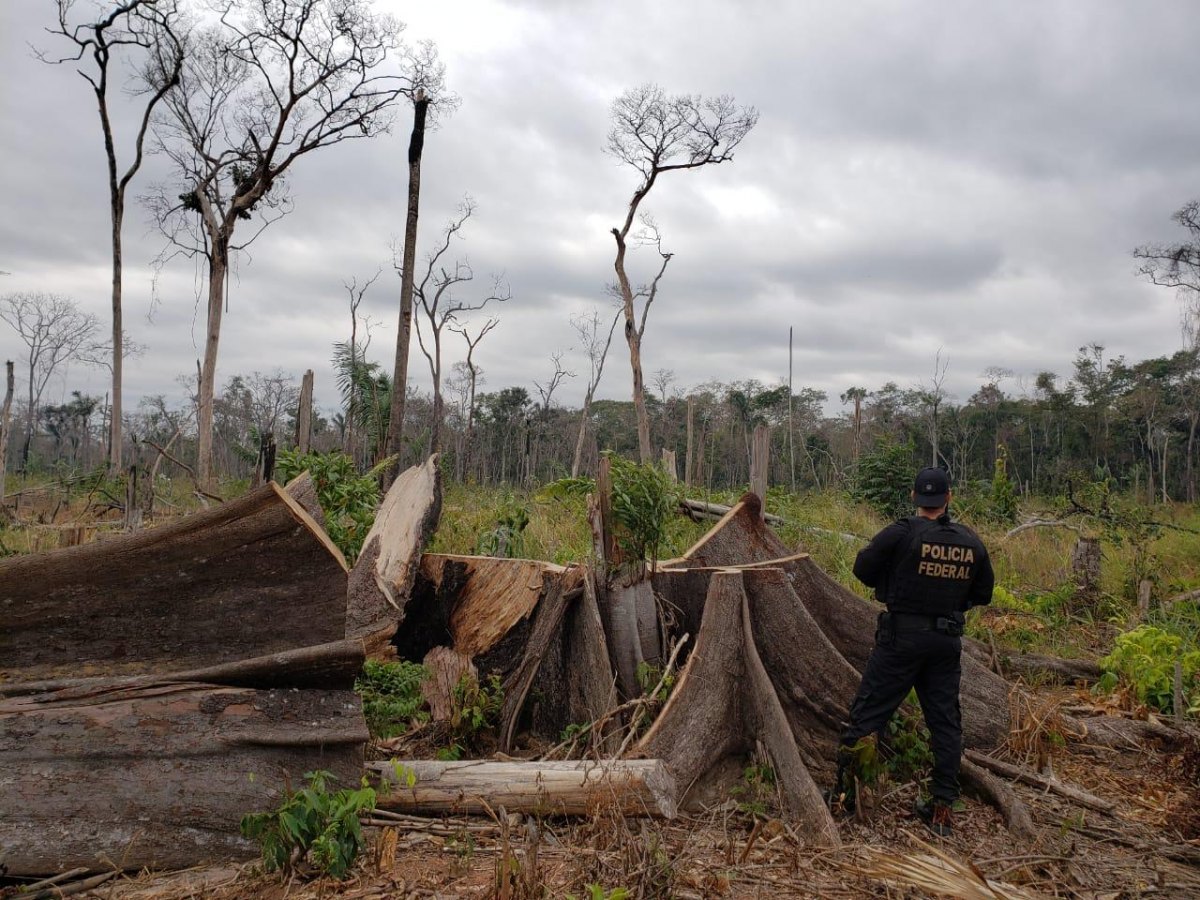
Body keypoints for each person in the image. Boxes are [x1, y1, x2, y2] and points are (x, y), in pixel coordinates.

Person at [831, 466, 994, 836]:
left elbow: (862, 569)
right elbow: (982, 594)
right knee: (945, 723)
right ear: (949, 497)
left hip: (901, 640)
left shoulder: (900, 533)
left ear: (914, 497)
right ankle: (941, 809)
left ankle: (845, 795)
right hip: (946, 642)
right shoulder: (971, 541)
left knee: (867, 713)